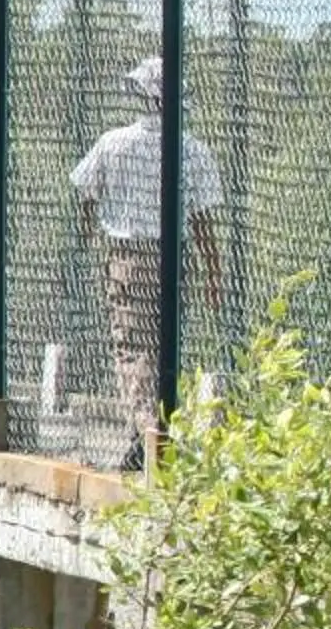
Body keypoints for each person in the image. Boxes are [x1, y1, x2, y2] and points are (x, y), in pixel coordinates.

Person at [68, 56, 226, 471]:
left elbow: (86, 195)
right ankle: (150, 429)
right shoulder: (192, 149)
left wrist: (87, 234)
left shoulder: (113, 142)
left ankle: (147, 429)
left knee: (130, 346)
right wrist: (213, 271)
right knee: (163, 346)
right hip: (176, 256)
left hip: (128, 256)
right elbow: (202, 218)